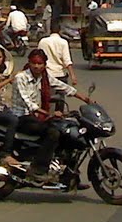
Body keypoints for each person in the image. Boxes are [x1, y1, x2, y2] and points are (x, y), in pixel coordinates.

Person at [13, 49, 93, 184]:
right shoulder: (21, 78)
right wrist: (50, 114)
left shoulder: (44, 77)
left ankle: (69, 174)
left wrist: (85, 99)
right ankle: (38, 169)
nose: (37, 66)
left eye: (40, 63)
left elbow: (63, 87)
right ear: (29, 63)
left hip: (36, 116)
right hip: (22, 117)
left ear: (45, 64)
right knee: (53, 133)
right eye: (34, 63)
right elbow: (29, 103)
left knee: (67, 130)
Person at [38, 20, 77, 85]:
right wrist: (73, 76)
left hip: (46, 74)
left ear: (50, 30)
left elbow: (37, 58)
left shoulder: (42, 41)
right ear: (60, 31)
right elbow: (67, 61)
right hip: (60, 75)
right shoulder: (63, 42)